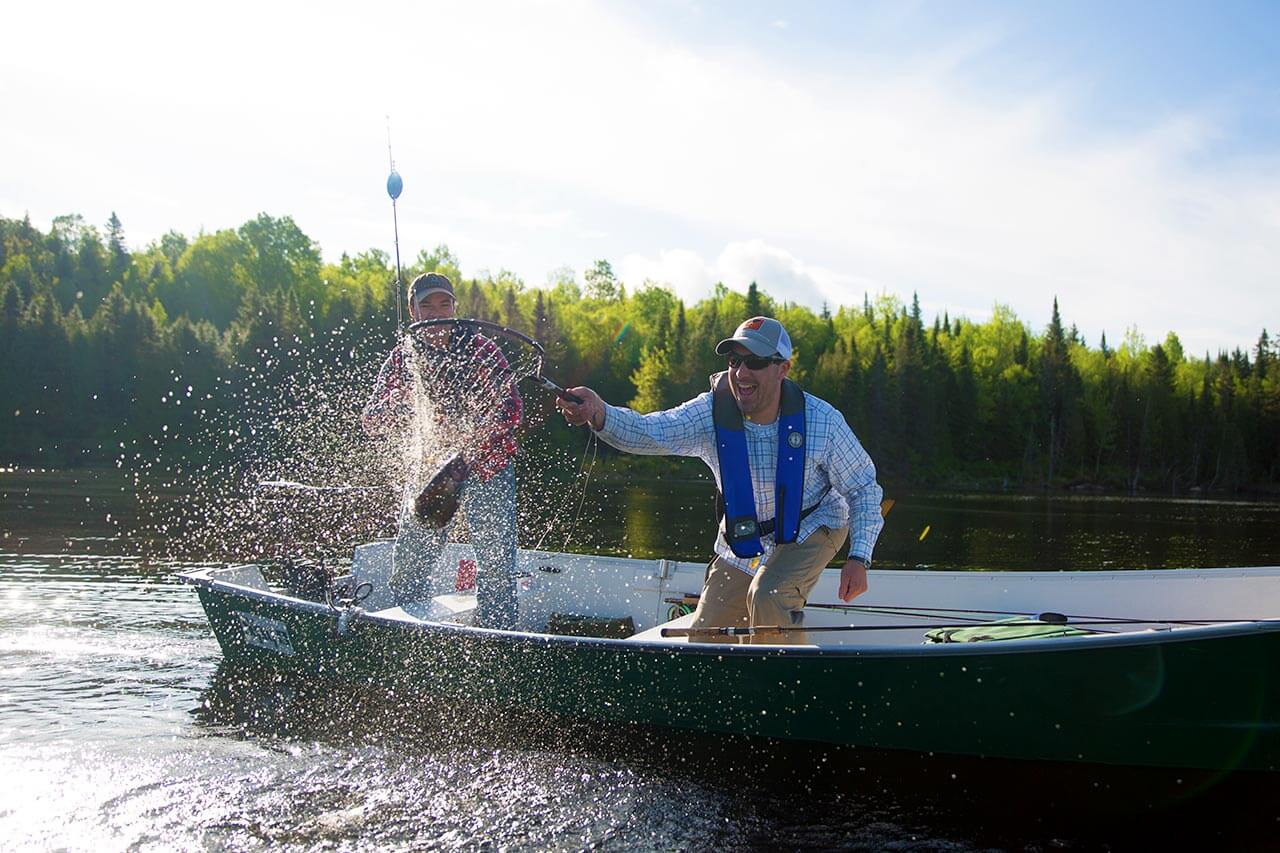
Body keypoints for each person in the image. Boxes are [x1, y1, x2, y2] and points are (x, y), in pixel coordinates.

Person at [557, 316, 883, 643]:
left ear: (783, 369)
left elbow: (864, 488)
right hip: (747, 534)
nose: (742, 373)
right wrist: (599, 413)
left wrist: (859, 557)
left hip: (815, 523)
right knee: (704, 637)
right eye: (734, 360)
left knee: (768, 596)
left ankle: (783, 686)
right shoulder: (710, 413)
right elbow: (650, 431)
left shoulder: (822, 421)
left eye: (755, 362)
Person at [362, 272, 521, 629]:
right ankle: (412, 637)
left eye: (444, 304)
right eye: (427, 305)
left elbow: (512, 411)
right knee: (410, 563)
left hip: (487, 468)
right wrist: (401, 405)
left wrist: (471, 439)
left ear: (455, 307)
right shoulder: (403, 358)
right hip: (432, 472)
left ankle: (501, 641)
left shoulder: (482, 349)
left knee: (496, 567)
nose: (437, 313)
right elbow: (370, 420)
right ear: (413, 311)